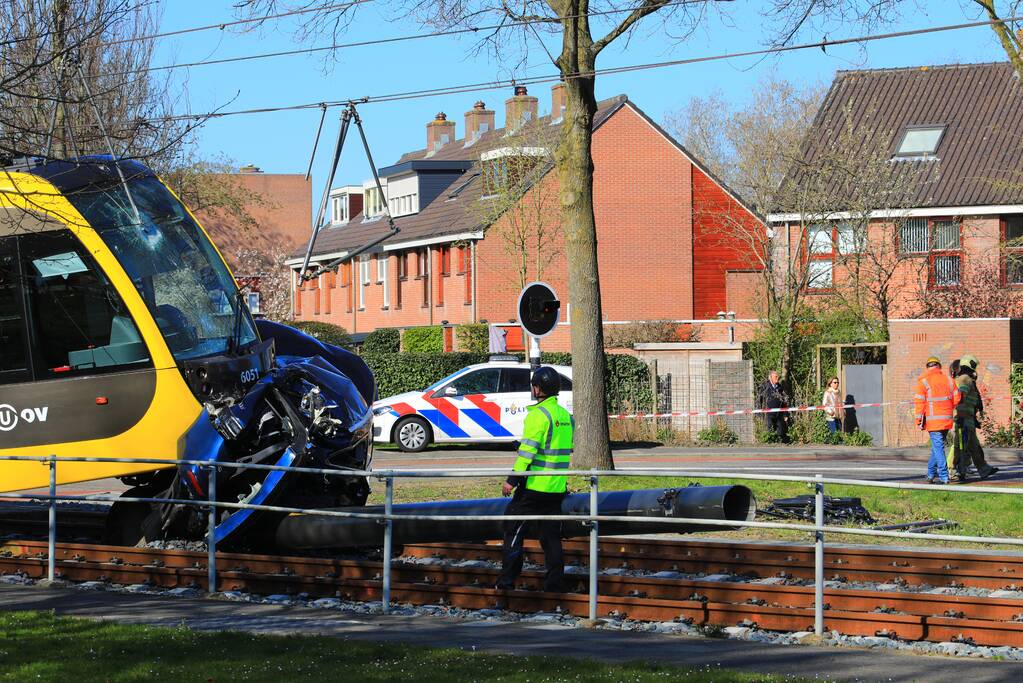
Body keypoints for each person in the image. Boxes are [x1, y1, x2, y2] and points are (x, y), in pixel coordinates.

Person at [496, 366, 573, 592]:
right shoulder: (566, 417)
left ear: (538, 388)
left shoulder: (538, 416)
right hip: (556, 487)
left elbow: (526, 454)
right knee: (550, 537)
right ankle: (554, 585)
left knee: (513, 529)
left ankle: (507, 582)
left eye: (534, 385)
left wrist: (511, 480)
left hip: (534, 487)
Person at [951, 354, 999, 482]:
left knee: (973, 446)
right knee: (960, 446)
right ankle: (955, 470)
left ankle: (983, 468)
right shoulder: (965, 379)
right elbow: (961, 397)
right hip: (964, 418)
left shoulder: (967, 379)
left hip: (969, 418)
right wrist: (961, 417)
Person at [913, 356, 960, 484]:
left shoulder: (923, 381)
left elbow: (919, 403)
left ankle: (944, 476)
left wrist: (918, 420)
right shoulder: (949, 380)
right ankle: (930, 474)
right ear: (939, 366)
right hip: (946, 421)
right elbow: (956, 399)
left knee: (938, 448)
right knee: (936, 448)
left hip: (933, 422)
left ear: (927, 367)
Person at [758, 370, 789, 441]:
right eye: (776, 377)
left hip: (779, 414)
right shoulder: (765, 387)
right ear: (771, 378)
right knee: (770, 431)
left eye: (777, 376)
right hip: (769, 413)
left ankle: (779, 445)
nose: (777, 378)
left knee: (780, 432)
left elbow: (784, 401)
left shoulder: (780, 387)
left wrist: (785, 414)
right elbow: (760, 400)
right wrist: (759, 412)